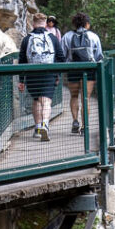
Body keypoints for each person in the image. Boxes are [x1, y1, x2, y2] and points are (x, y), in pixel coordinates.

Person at [18, 12, 66, 142]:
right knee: (46, 101)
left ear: (33, 23)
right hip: (48, 73)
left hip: (32, 74)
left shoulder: (27, 39)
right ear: (45, 24)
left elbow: (22, 60)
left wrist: (21, 80)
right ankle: (45, 124)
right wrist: (57, 74)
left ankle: (38, 128)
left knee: (36, 100)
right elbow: (61, 58)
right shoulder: (53, 38)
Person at [61, 12, 103, 134]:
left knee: (74, 96)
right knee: (86, 98)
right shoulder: (94, 37)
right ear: (87, 24)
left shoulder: (67, 36)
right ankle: (85, 126)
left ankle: (75, 121)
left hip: (73, 69)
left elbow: (63, 55)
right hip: (88, 70)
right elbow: (99, 55)